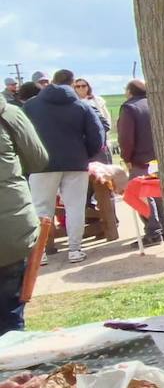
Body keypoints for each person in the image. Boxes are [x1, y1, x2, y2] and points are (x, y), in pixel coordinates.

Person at [22, 69, 103, 264]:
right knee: (75, 207)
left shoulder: (31, 106)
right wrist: (86, 154)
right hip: (76, 162)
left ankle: (39, 253)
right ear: (72, 83)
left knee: (41, 209)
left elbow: (23, 135)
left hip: (41, 163)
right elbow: (97, 135)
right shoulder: (81, 106)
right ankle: (75, 249)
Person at [0, 92, 47, 333]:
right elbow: (38, 160)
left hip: (11, 228)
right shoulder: (9, 114)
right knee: (9, 315)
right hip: (11, 231)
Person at [117, 80, 164, 245]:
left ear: (130, 91)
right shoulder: (155, 105)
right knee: (157, 192)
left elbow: (126, 137)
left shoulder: (129, 108)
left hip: (139, 158)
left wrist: (126, 157)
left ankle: (153, 231)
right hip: (159, 156)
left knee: (142, 194)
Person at [74, 78, 113, 165]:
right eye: (77, 86)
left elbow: (106, 119)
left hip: (100, 139)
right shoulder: (74, 102)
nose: (81, 88)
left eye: (83, 86)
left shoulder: (97, 101)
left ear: (88, 87)